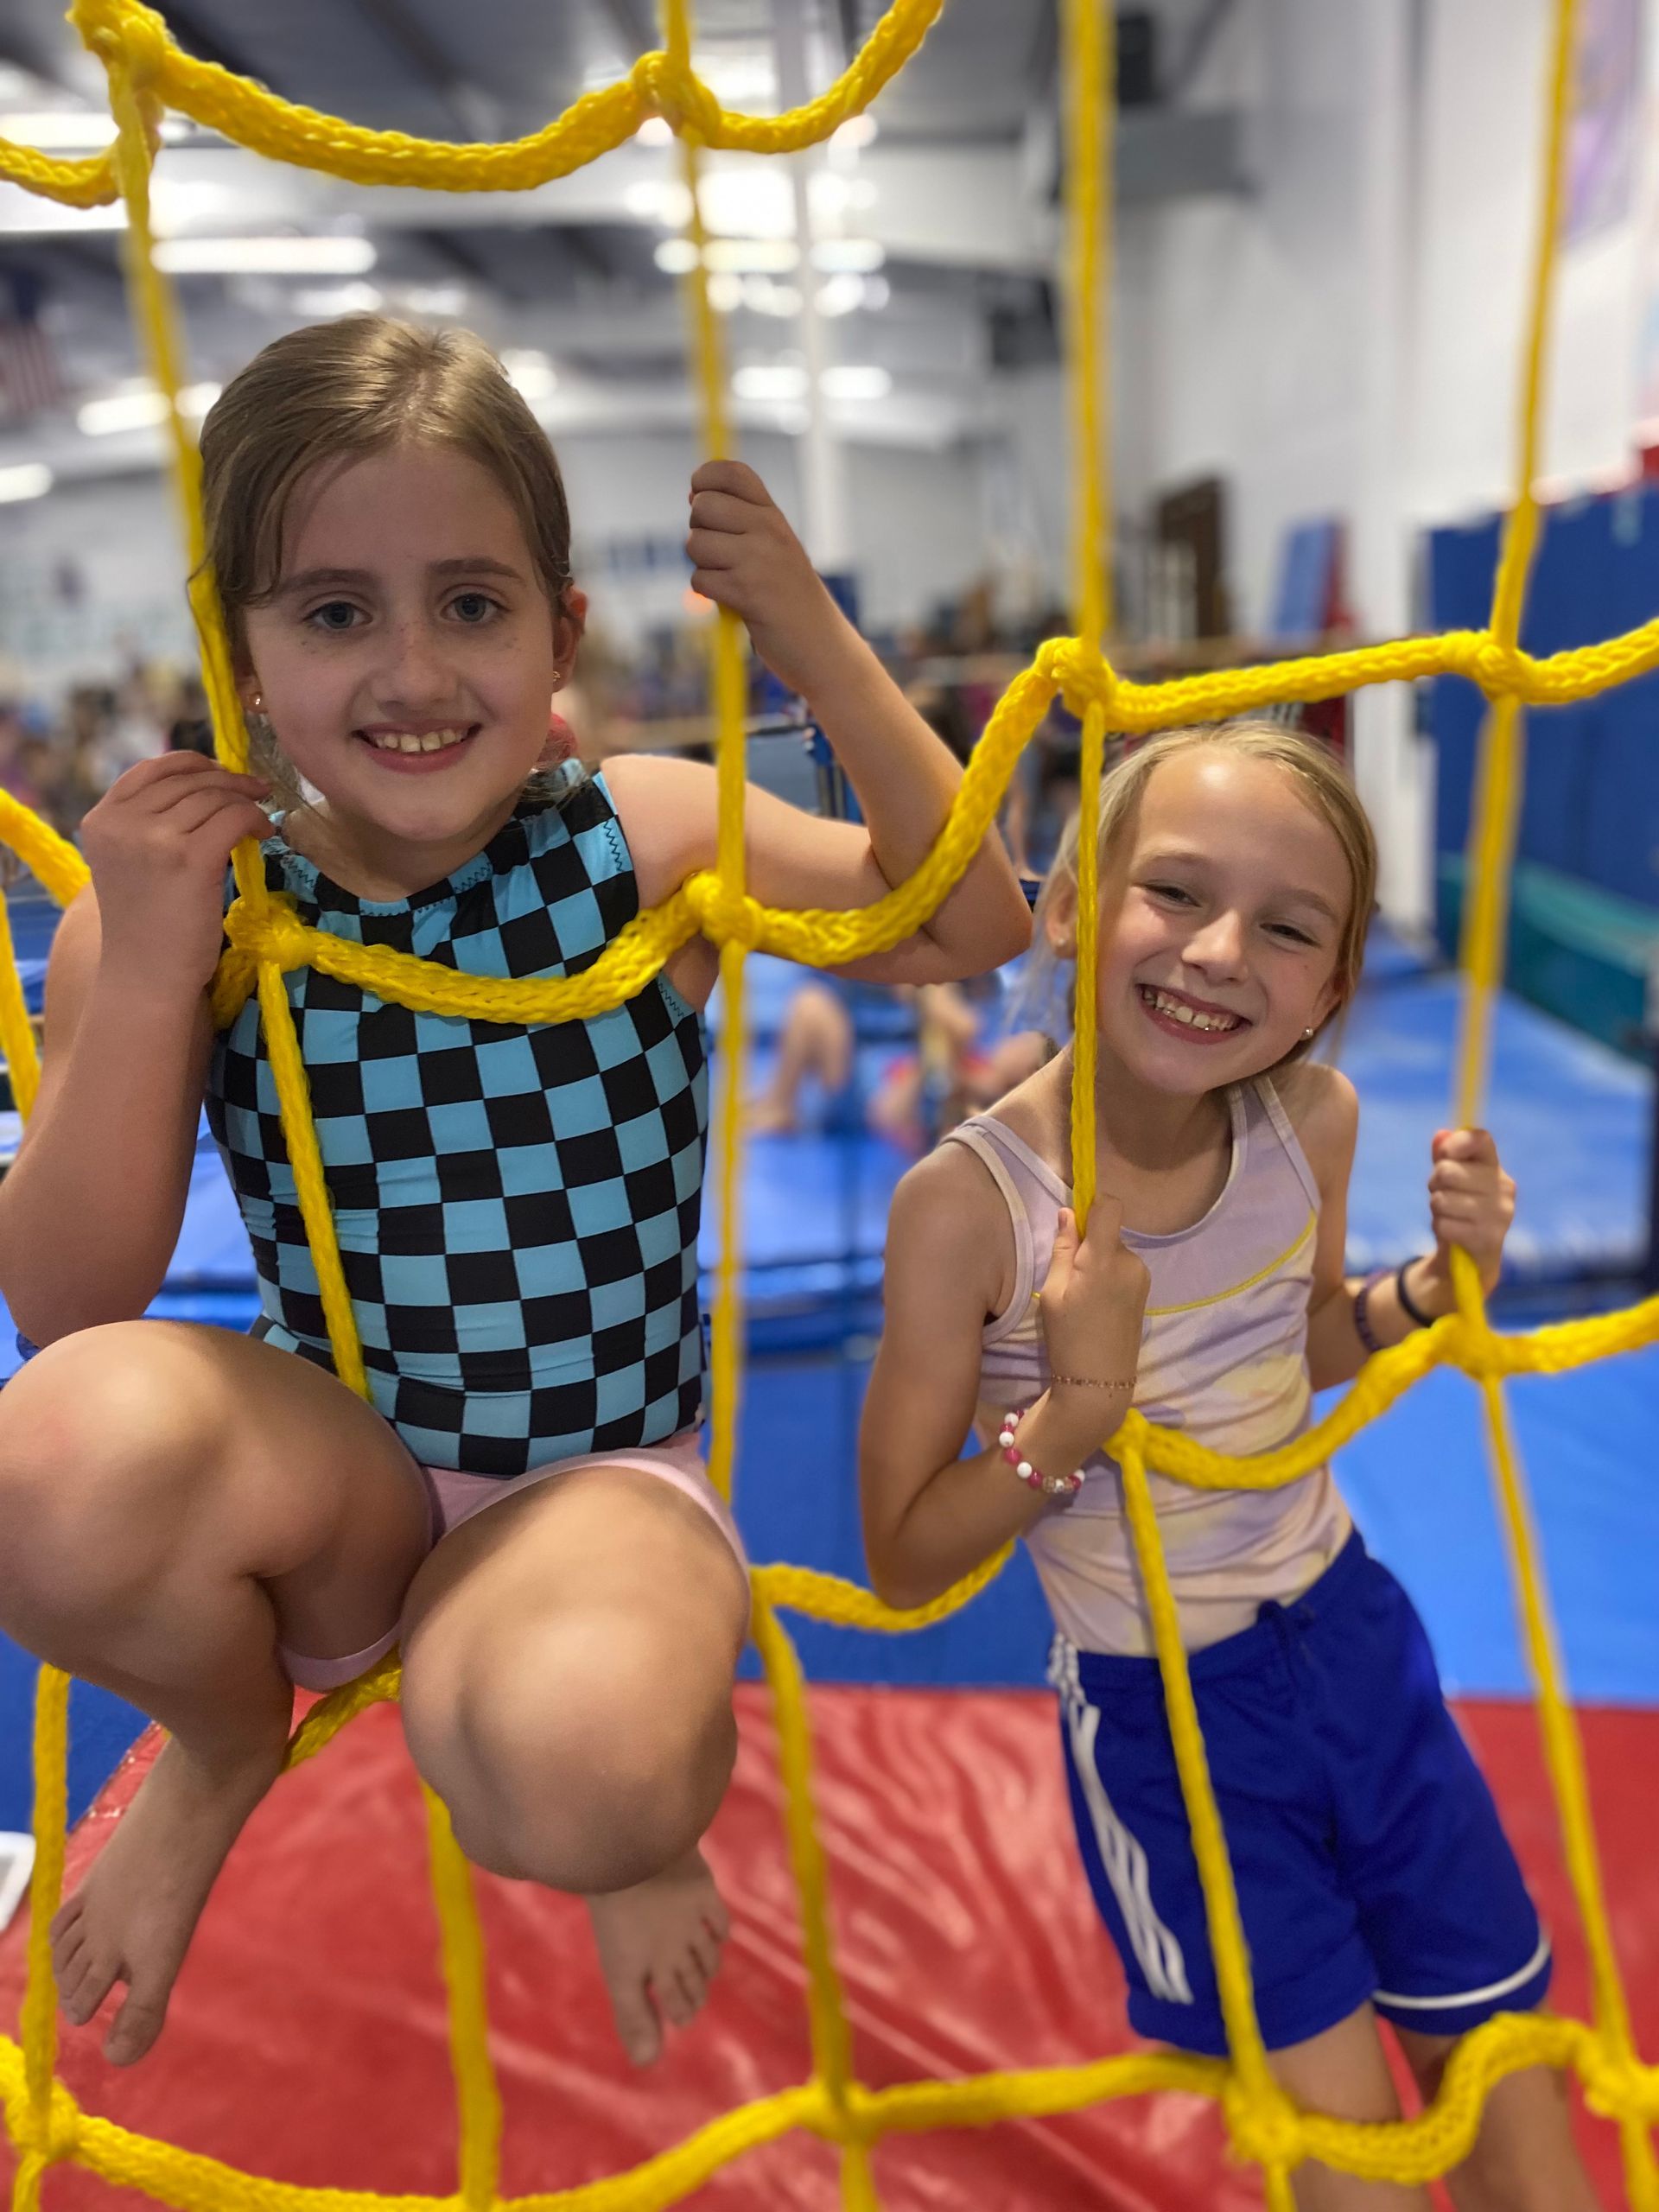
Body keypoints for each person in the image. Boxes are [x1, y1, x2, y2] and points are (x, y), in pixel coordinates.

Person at [0, 315, 1030, 2075]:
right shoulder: (206, 902)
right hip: (341, 1479)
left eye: (468, 604)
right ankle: (224, 1734)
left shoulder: (636, 838)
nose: (410, 669)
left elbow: (968, 920)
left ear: (559, 631)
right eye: (335, 612)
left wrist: (815, 645)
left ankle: (624, 1839)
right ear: (240, 651)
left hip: (596, 1473)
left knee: (587, 1766)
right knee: (52, 1461)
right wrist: (154, 963)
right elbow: (69, 1304)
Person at [859, 721, 1601, 2211]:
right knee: (1355, 2182)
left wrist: (1438, 1290)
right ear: (1074, 904)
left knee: (1528, 2139)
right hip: (1171, 1727)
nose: (1218, 954)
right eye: (1178, 894)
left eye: (1286, 929)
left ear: (1335, 987)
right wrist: (1072, 1413)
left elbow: (1308, 1342)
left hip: (1356, 1645)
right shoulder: (971, 1207)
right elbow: (906, 1549)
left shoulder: (1310, 1122)